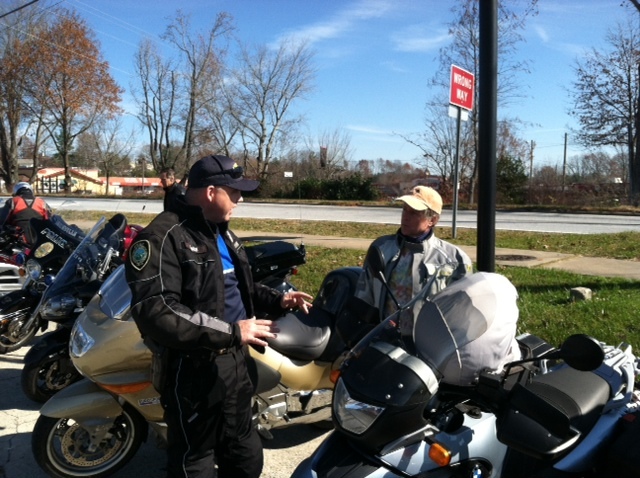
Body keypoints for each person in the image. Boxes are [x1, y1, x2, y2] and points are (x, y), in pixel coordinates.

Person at [124, 154, 313, 478]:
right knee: (194, 460)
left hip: (236, 366)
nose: (240, 199)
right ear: (212, 192)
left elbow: (238, 287)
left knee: (245, 456)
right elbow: (157, 310)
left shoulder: (221, 232)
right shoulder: (162, 237)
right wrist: (232, 332)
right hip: (191, 371)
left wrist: (279, 300)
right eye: (235, 192)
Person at [353, 185, 473, 325]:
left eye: (414, 213)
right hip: (385, 335)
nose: (405, 217)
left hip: (431, 337)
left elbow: (461, 312)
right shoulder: (381, 248)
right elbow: (363, 298)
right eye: (404, 209)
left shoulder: (455, 259)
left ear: (432, 220)